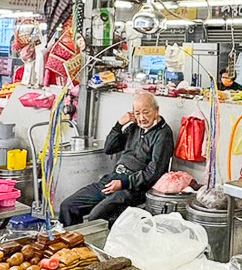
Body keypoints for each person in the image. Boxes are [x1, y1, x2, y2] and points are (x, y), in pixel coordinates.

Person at [58, 92, 174, 227]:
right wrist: (119, 124)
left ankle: (96, 244)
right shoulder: (134, 128)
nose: (141, 118)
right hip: (113, 179)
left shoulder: (163, 135)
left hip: (134, 189)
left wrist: (124, 183)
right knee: (68, 206)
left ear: (156, 111)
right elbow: (109, 148)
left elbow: (153, 173)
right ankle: (72, 245)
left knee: (96, 217)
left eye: (146, 112)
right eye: (137, 113)